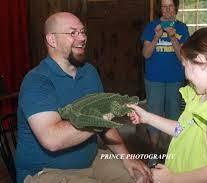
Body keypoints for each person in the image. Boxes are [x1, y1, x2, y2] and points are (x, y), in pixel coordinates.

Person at [15, 12, 150, 183]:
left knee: (142, 177)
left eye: (83, 32)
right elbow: (53, 139)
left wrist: (126, 157)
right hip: (46, 171)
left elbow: (105, 125)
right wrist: (103, 117)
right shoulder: (37, 81)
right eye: (73, 33)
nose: (82, 38)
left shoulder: (89, 72)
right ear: (52, 40)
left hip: (92, 160)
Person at [128, 27, 207, 183]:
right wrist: (147, 118)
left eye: (185, 65)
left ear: (201, 60)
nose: (185, 74)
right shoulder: (201, 95)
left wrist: (172, 179)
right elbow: (182, 129)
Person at [141, 0, 189, 153]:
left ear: (176, 8)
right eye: (164, 6)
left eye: (171, 6)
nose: (167, 10)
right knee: (153, 115)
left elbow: (183, 58)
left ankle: (172, 153)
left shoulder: (182, 28)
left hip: (175, 79)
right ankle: (153, 152)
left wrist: (173, 38)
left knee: (174, 115)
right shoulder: (151, 26)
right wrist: (156, 37)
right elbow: (146, 54)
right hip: (154, 79)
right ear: (160, 9)